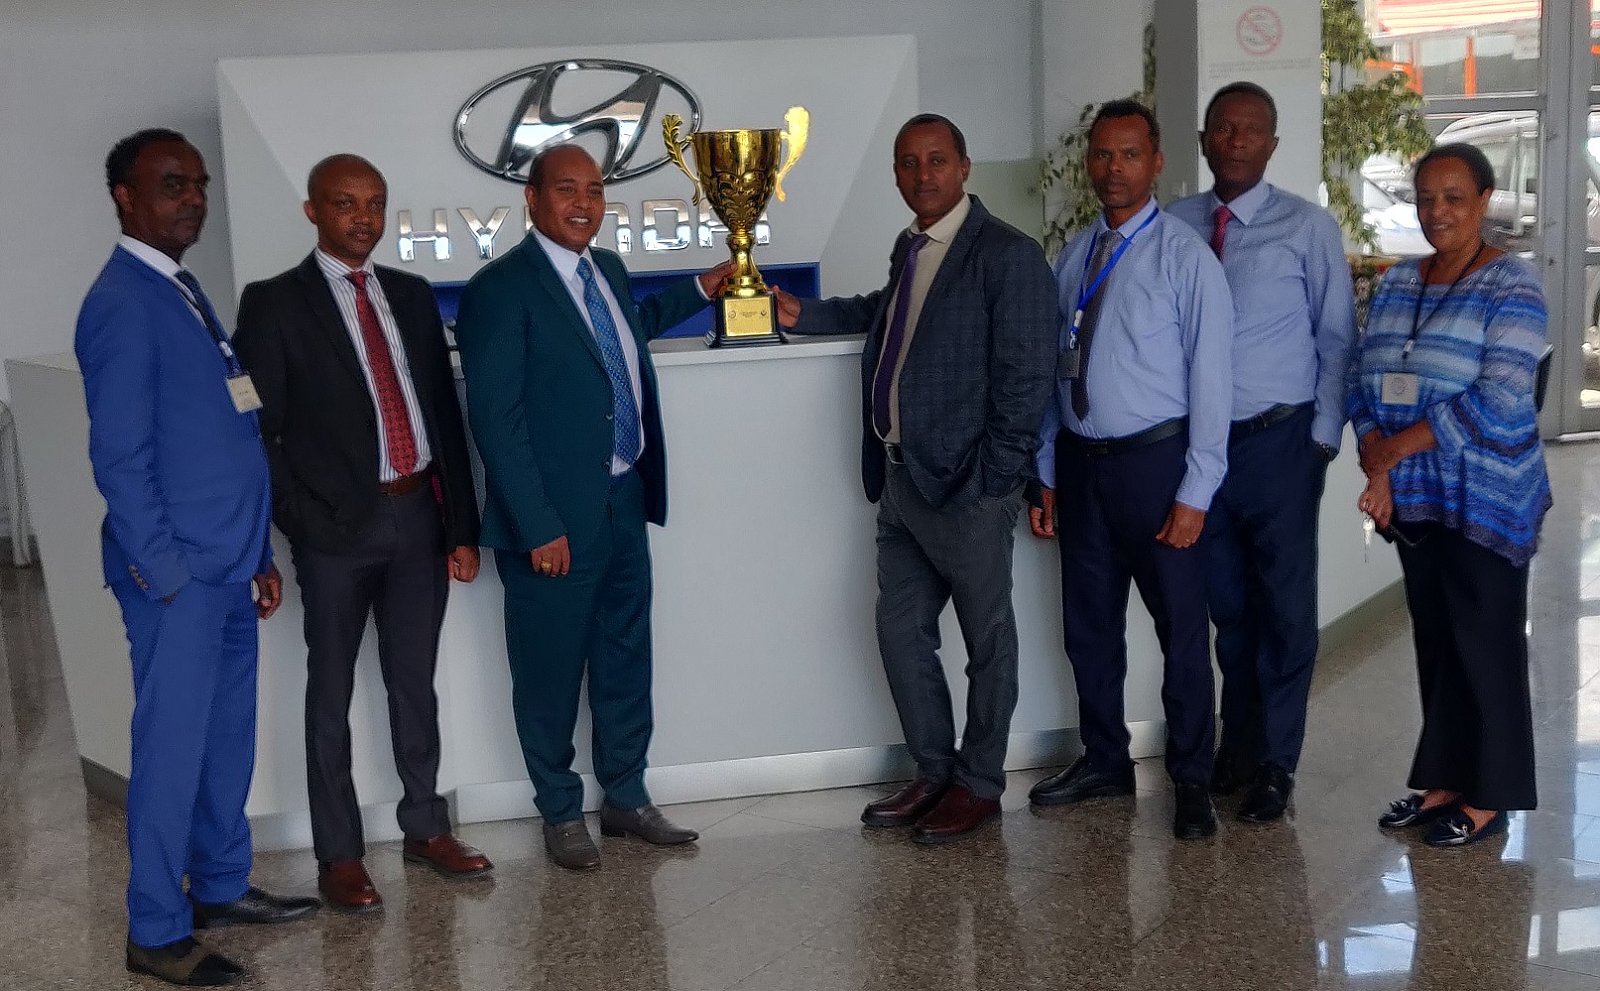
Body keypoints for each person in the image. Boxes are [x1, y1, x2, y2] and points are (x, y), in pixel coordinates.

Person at [75, 128, 319, 987]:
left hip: (227, 566)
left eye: (199, 185)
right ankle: (155, 929)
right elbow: (120, 459)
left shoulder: (179, 288)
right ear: (125, 197)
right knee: (172, 753)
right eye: (173, 184)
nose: (193, 199)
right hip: (177, 580)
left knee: (223, 740)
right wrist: (168, 572)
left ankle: (218, 885)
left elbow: (224, 424)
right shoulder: (121, 301)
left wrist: (253, 553)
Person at [773, 113, 1057, 844]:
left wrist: (994, 480)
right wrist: (805, 313)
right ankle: (933, 770)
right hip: (900, 480)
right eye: (908, 162)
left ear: (964, 166)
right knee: (901, 631)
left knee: (988, 642)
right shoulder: (913, 247)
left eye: (935, 159)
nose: (922, 174)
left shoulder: (1009, 255)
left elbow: (1028, 379)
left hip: (968, 489)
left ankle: (980, 783)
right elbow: (888, 316)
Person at [453, 144, 732, 870]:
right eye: (567, 189)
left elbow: (626, 331)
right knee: (547, 671)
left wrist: (701, 288)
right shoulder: (499, 289)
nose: (584, 203)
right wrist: (537, 525)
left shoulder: (605, 268)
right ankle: (559, 809)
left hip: (622, 499)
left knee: (624, 655)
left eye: (595, 190)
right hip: (552, 520)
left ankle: (627, 796)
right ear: (532, 198)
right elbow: (496, 421)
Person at [233, 154, 493, 912]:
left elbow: (442, 414)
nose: (364, 218)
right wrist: (302, 522)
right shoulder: (275, 303)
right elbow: (258, 429)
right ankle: (340, 854)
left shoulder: (409, 295)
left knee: (414, 682)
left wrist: (460, 525)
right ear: (313, 210)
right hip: (335, 533)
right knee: (331, 692)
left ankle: (426, 826)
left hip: (419, 516)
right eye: (346, 203)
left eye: (375, 203)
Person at [1025, 100, 1233, 840]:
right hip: (1082, 467)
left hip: (1158, 466)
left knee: (1181, 630)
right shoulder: (1074, 255)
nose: (1114, 169)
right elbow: (1055, 370)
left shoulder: (1185, 258)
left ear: (1157, 162)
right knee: (1088, 626)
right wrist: (1046, 470)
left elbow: (1213, 381)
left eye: (1130, 154)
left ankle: (1193, 778)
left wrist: (1197, 490)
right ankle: (1105, 760)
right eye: (1103, 155)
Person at [1352, 143, 1550, 848]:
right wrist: (1377, 463)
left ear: (1485, 201)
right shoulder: (1399, 282)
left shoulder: (1513, 285)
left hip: (1486, 496)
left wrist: (1394, 449)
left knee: (1484, 643)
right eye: (1427, 198)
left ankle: (1490, 795)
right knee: (1438, 642)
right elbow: (1362, 375)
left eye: (1454, 197)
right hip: (1416, 499)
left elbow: (1501, 396)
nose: (1438, 212)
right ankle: (1441, 782)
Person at [1168, 82, 1356, 821]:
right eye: (1223, 128)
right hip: (1200, 453)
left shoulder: (1307, 227)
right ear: (1204, 141)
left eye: (1250, 129)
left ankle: (1277, 763)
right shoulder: (1177, 224)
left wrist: (1322, 438)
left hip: (1279, 442)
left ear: (1272, 144)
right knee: (1228, 608)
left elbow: (1336, 335)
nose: (1236, 140)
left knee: (1283, 609)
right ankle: (1239, 747)